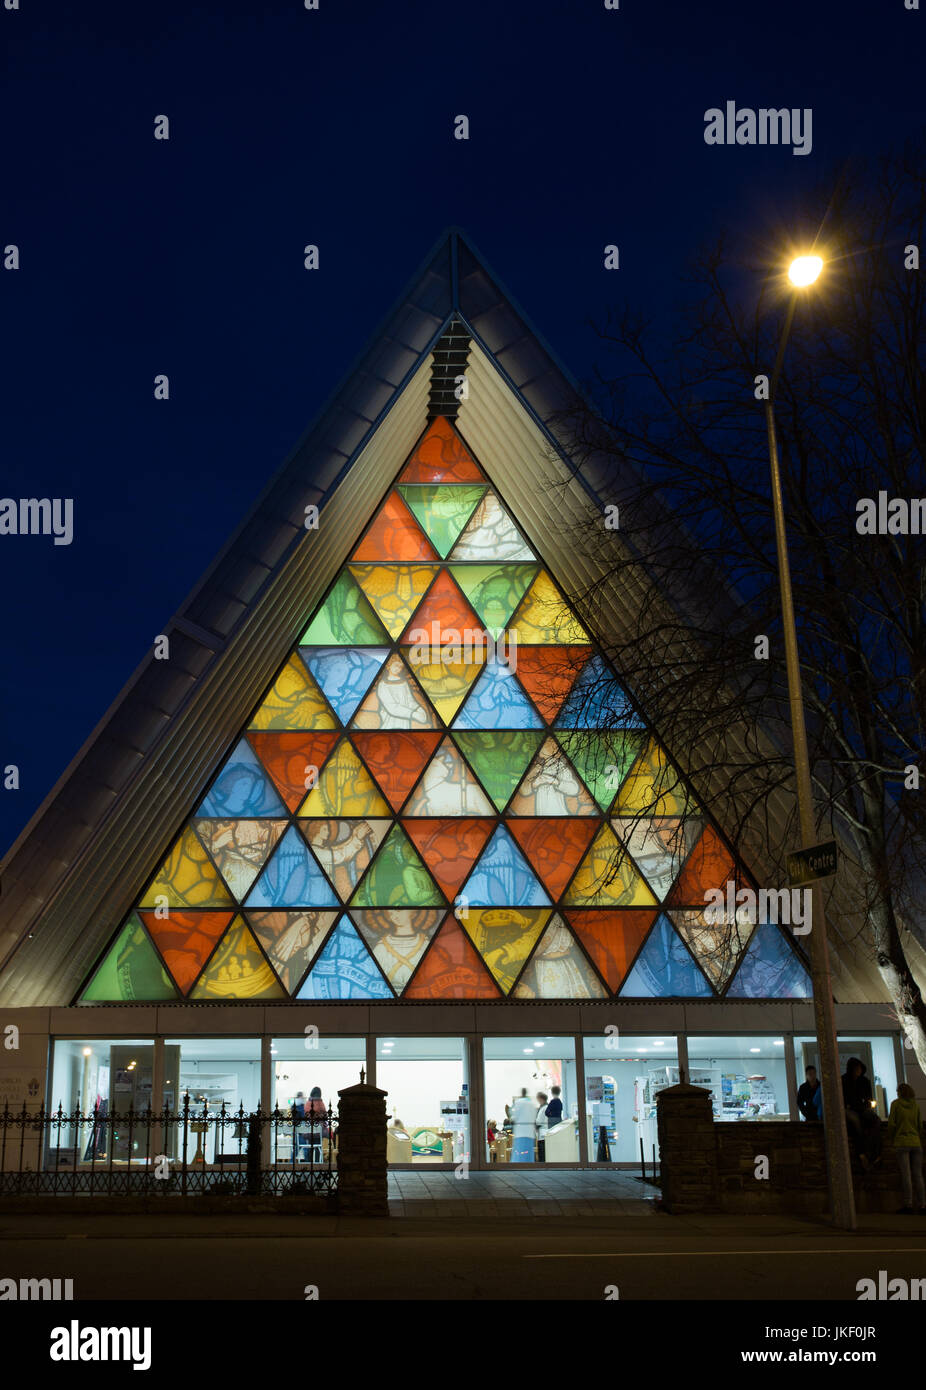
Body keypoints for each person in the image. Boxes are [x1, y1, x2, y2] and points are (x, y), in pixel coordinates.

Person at [887, 1083, 925, 1213]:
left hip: (901, 1142)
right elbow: (920, 1125)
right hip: (916, 1142)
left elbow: (892, 1124)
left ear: (900, 1092)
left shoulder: (895, 1104)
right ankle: (923, 1205)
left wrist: (892, 1138)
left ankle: (908, 1204)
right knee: (918, 1175)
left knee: (906, 1175)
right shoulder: (915, 1105)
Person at [842, 1057, 882, 1168]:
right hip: (850, 1109)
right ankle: (862, 1152)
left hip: (862, 1108)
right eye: (856, 1069)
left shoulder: (864, 1081)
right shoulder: (844, 1080)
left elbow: (869, 1097)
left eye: (859, 1068)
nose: (858, 1071)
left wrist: (868, 1105)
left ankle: (875, 1153)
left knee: (876, 1121)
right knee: (857, 1124)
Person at [511, 1088, 537, 1162]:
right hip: (529, 1132)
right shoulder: (532, 1104)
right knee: (528, 1152)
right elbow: (534, 1116)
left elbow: (514, 1116)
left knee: (519, 1152)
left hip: (520, 1132)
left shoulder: (518, 1103)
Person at [535, 1092, 549, 1162]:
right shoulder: (545, 1107)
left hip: (542, 1132)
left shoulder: (544, 1108)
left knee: (542, 1152)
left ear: (541, 1099)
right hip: (544, 1131)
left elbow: (539, 1121)